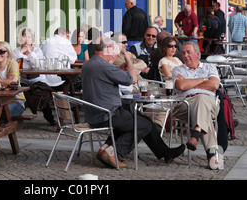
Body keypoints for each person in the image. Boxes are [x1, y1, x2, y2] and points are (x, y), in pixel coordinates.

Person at [82, 37, 185, 168]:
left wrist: (120, 67)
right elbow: (133, 79)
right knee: (144, 124)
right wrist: (127, 59)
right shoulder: (105, 67)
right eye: (114, 51)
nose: (115, 54)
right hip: (107, 114)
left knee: (139, 117)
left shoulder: (89, 64)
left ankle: (164, 152)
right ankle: (114, 153)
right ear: (107, 49)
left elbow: (109, 75)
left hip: (95, 113)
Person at [171, 41, 221, 170]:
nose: (185, 55)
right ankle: (211, 154)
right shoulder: (178, 69)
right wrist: (204, 80)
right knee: (202, 105)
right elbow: (181, 86)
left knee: (202, 99)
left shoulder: (209, 67)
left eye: (189, 52)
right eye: (183, 53)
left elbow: (215, 85)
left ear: (197, 54)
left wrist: (190, 84)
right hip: (185, 104)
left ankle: (197, 133)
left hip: (210, 104)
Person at [12, 27, 56, 125]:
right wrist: (21, 53)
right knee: (20, 92)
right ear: (20, 38)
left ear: (32, 39)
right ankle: (15, 117)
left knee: (41, 94)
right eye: (24, 36)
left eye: (29, 37)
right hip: (22, 79)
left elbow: (37, 66)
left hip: (36, 79)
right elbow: (12, 63)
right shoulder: (16, 51)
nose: (27, 39)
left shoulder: (37, 51)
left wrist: (30, 53)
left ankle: (50, 118)